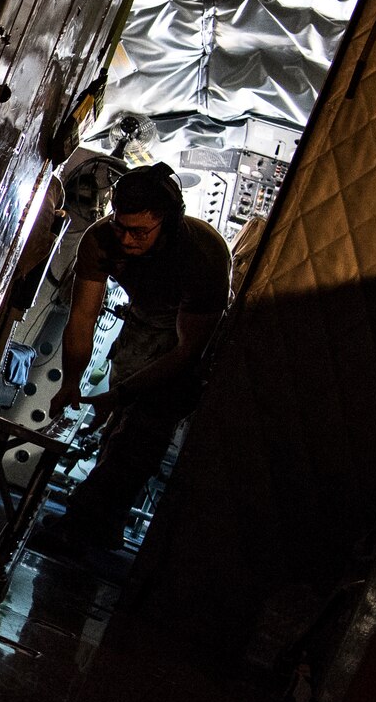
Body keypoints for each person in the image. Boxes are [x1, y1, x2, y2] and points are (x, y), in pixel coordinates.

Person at [30, 162, 232, 560]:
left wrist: (122, 393)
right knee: (118, 432)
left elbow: (187, 350)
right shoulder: (102, 240)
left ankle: (81, 526)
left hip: (186, 339)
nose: (126, 239)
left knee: (144, 432)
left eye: (139, 231)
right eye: (121, 226)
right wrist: (72, 381)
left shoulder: (202, 256)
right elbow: (84, 316)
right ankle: (104, 527)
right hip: (141, 324)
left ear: (168, 223)